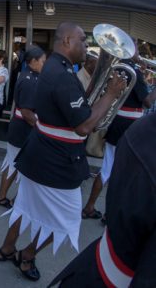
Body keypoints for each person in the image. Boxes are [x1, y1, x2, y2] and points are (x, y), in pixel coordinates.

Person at [0, 22, 125, 281]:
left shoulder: (56, 68)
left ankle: (7, 248)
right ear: (67, 41)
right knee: (67, 220)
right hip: (57, 161)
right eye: (83, 41)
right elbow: (84, 126)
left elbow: (75, 107)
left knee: (25, 206)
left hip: (39, 155)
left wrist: (96, 94)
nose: (88, 46)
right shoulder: (62, 74)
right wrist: (110, 94)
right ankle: (27, 255)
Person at [49, 112, 156, 287]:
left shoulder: (145, 126)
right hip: (108, 275)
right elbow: (84, 127)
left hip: (95, 267)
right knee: (64, 220)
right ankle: (89, 206)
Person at [81, 41, 155, 221]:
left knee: (108, 168)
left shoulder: (122, 68)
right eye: (136, 47)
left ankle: (91, 207)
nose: (139, 51)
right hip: (129, 127)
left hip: (118, 124)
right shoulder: (133, 71)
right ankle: (107, 212)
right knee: (119, 171)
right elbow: (147, 102)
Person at [0, 46, 46, 209]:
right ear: (33, 61)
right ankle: (10, 199)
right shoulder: (30, 80)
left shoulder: (30, 76)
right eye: (43, 61)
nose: (45, 63)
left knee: (12, 163)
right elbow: (27, 113)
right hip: (23, 130)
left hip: (19, 129)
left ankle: (3, 197)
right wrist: (42, 130)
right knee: (18, 165)